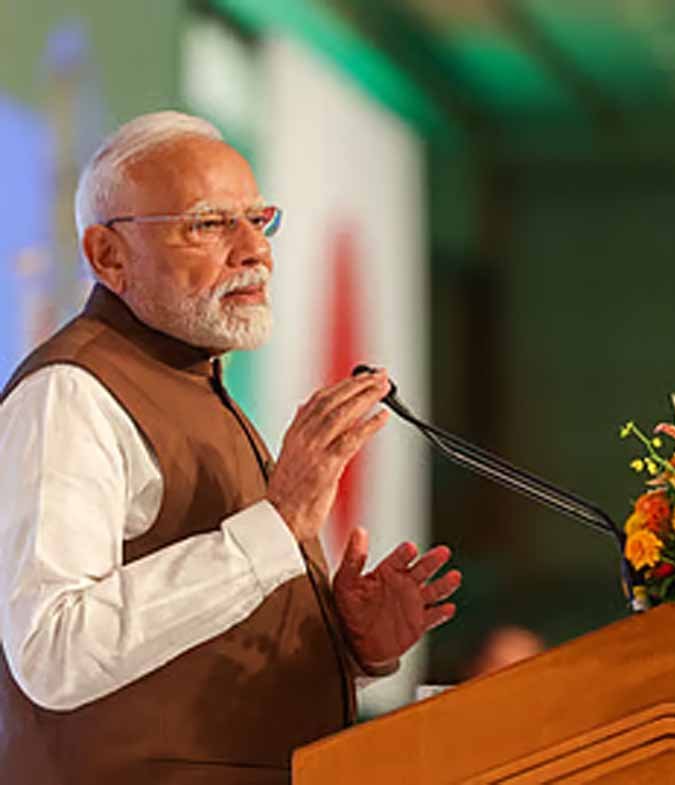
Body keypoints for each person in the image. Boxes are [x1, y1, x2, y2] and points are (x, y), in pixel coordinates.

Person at [0, 111, 462, 785]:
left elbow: (179, 659)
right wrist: (276, 524)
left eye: (258, 220)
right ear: (108, 256)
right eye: (210, 224)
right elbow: (54, 650)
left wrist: (348, 648)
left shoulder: (195, 378)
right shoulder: (71, 392)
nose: (254, 251)